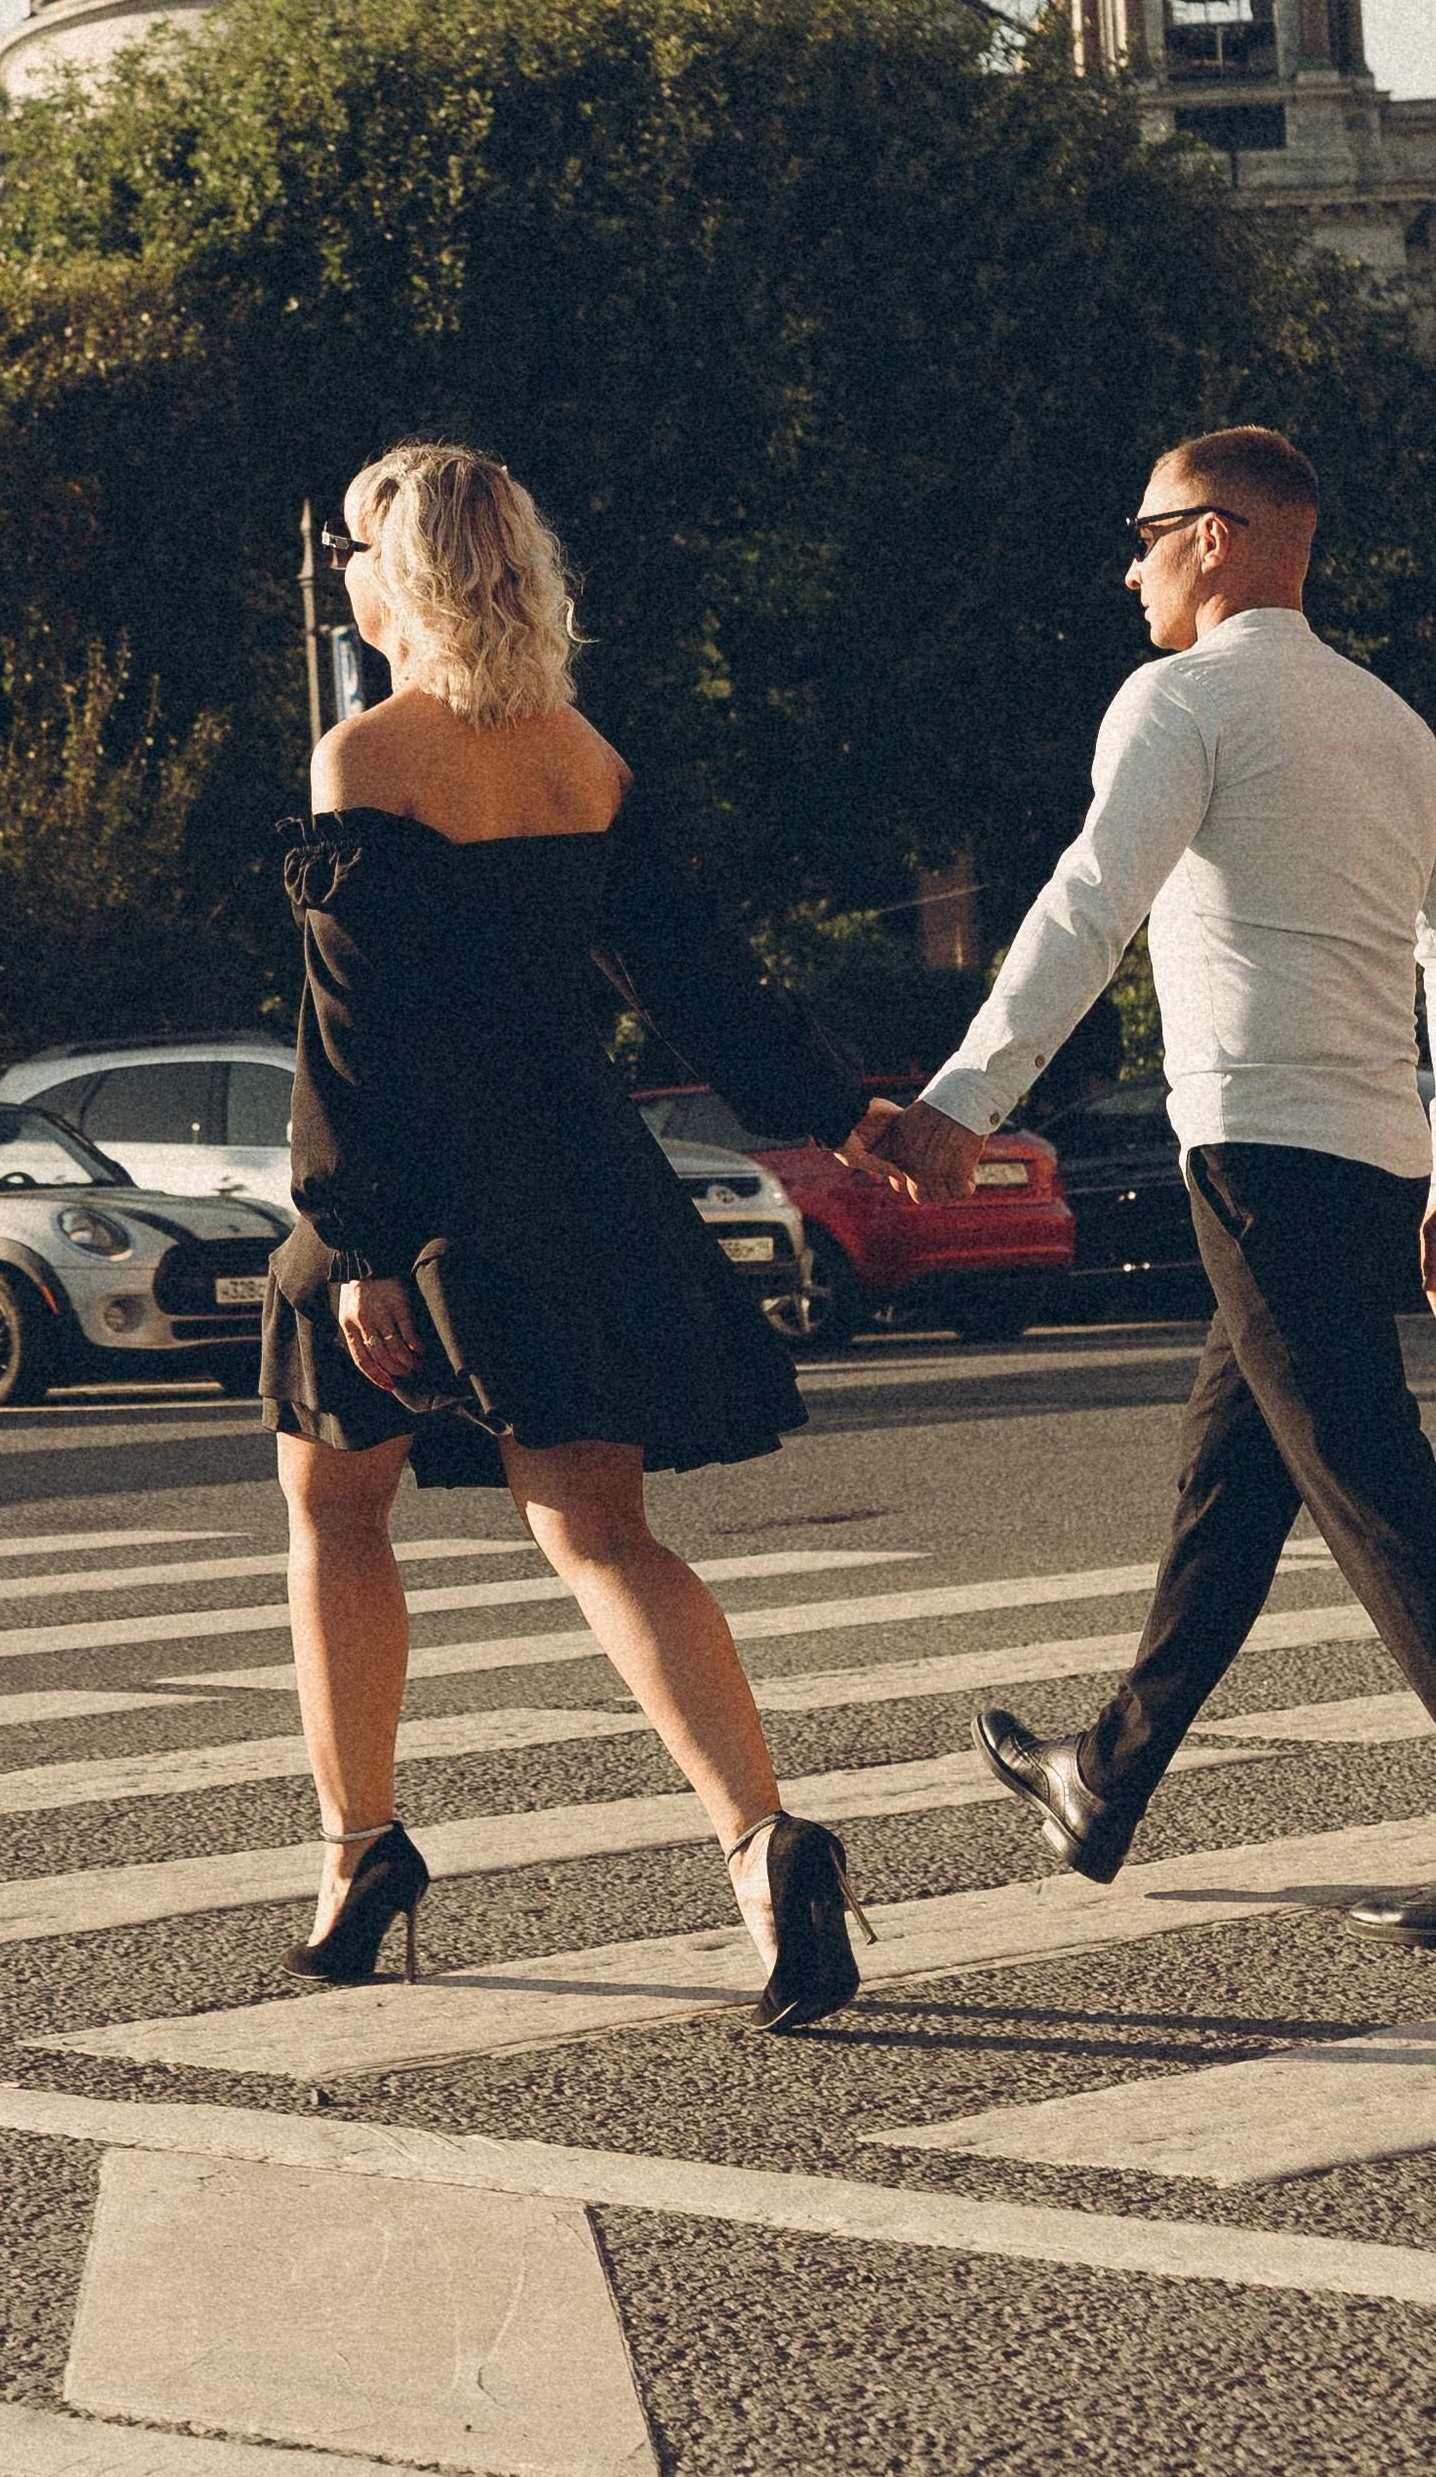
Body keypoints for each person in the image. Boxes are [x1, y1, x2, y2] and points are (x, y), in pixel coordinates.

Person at [881, 424, 1436, 1954]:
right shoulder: (1393, 725)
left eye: (1144, 531)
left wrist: (965, 1105)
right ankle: (1108, 1771)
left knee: (1375, 1488)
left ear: (1216, 537)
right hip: (1369, 1159)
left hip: (1258, 1156)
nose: (1128, 562)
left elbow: (1091, 897)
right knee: (1235, 1484)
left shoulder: (1182, 699)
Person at [263, 440, 901, 2029]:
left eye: (351, 547)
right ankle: (763, 1845)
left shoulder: (366, 758)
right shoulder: (584, 754)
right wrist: (843, 1111)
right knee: (606, 1538)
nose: (337, 570)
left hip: (423, 1196)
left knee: (336, 1511)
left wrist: (355, 1250)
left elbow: (357, 1041)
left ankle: (357, 1854)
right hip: (578, 1184)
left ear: (394, 573)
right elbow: (699, 978)